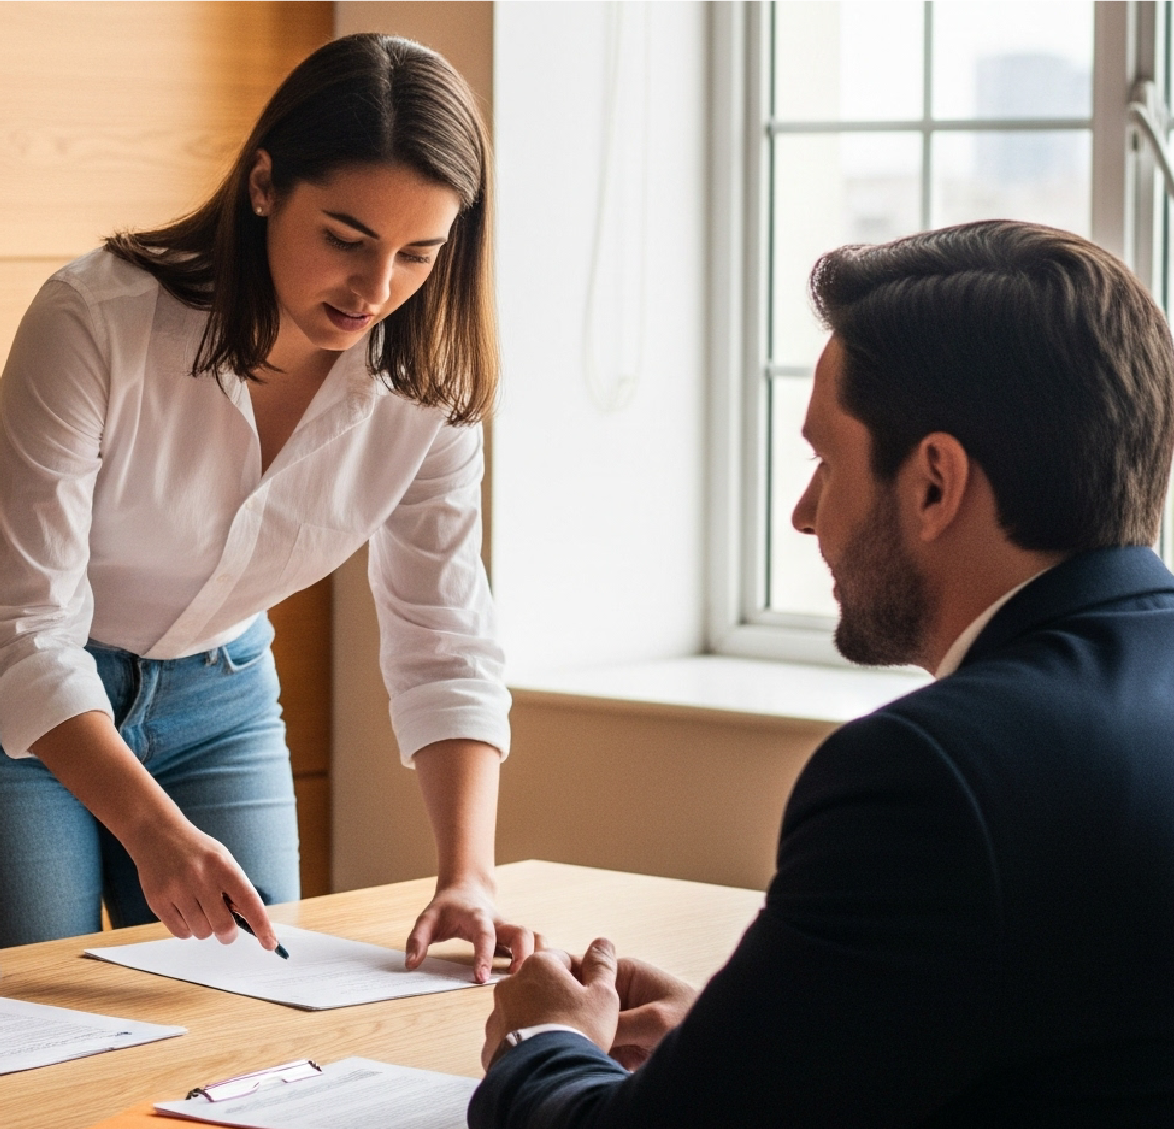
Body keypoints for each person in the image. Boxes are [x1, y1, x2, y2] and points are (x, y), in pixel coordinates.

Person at [472, 220, 1174, 1125]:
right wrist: (752, 1041)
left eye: (824, 462)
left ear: (934, 483)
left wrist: (542, 1044)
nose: (804, 514)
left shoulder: (929, 776)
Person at [0, 32, 529, 970]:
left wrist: (468, 874)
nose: (375, 290)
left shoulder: (426, 382)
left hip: (215, 689)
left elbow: (446, 634)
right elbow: (27, 630)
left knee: (257, 1002)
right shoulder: (94, 321)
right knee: (31, 997)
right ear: (263, 184)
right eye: (345, 240)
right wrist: (152, 831)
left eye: (418, 255)